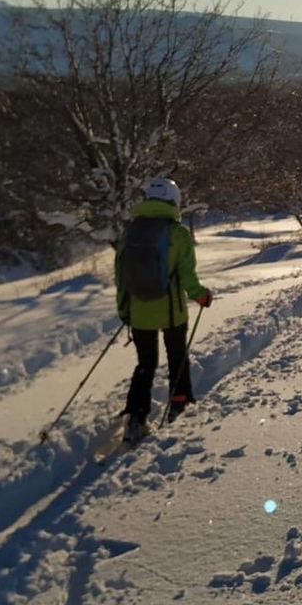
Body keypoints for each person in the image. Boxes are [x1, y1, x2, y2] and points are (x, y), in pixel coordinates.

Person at [115, 177, 212, 442]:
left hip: (139, 312)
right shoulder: (178, 234)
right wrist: (202, 296)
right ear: (174, 201)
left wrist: (124, 309)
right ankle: (178, 402)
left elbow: (120, 277)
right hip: (172, 312)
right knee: (177, 356)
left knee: (145, 364)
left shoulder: (130, 232)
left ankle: (136, 415)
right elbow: (187, 277)